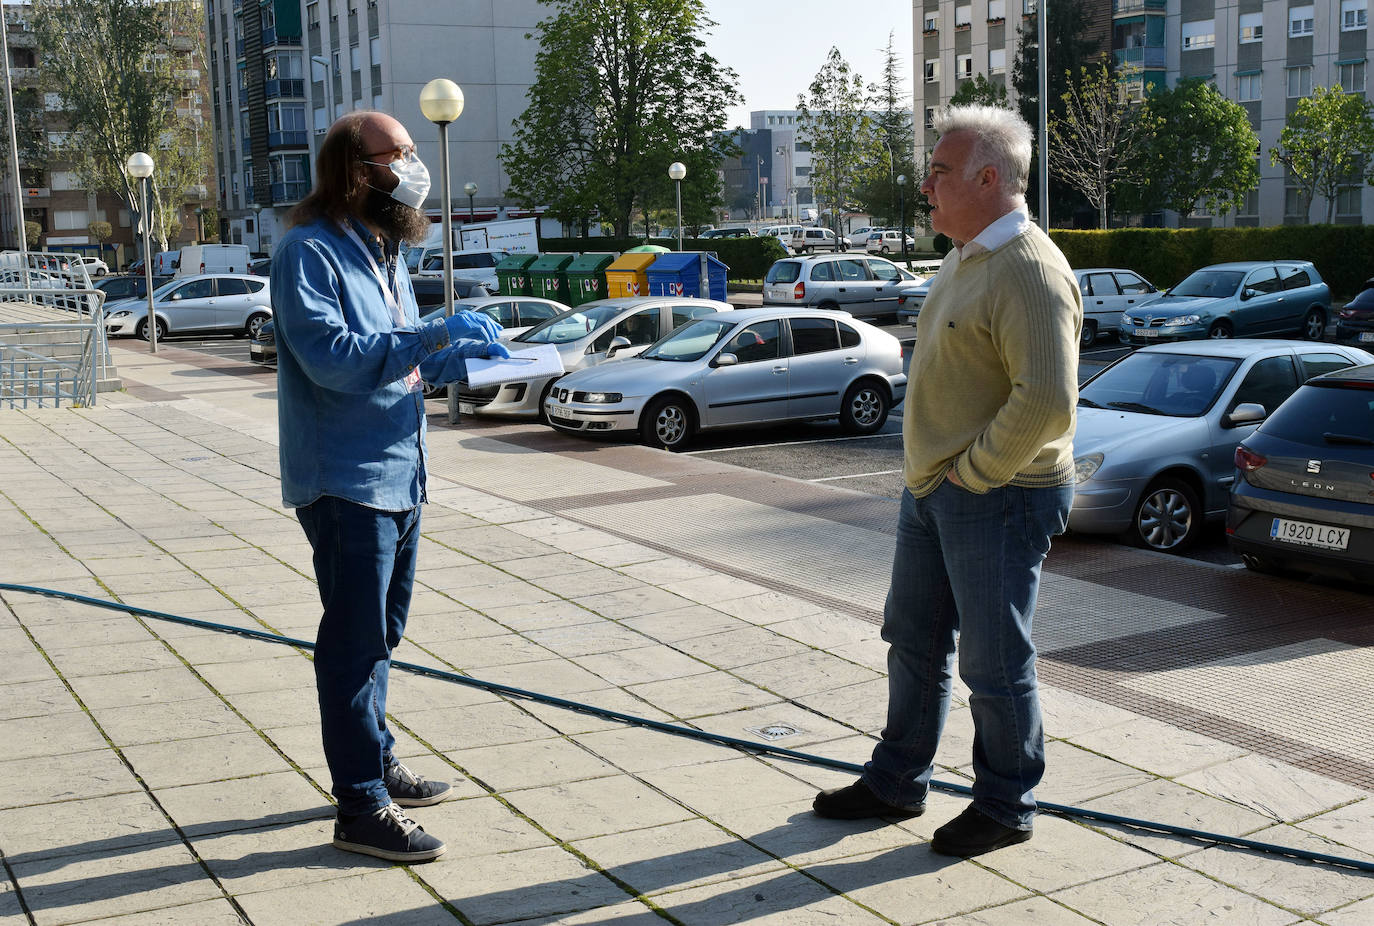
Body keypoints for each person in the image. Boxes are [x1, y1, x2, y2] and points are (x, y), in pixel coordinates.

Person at [812, 104, 1081, 858]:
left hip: (995, 494)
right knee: (914, 640)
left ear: (989, 178)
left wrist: (974, 475)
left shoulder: (1029, 269)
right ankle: (896, 781)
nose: (925, 184)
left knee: (993, 661)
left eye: (939, 170)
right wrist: (941, 478)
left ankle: (1005, 803)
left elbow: (1049, 398)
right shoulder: (965, 257)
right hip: (938, 489)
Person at [271, 110, 510, 864]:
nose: (412, 165)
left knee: (384, 637)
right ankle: (360, 806)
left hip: (403, 474)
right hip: (345, 480)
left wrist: (466, 360)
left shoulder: (385, 251)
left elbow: (401, 365)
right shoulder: (307, 253)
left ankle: (376, 760)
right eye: (398, 154)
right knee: (351, 646)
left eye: (411, 150)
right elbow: (335, 360)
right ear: (356, 170)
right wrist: (428, 336)